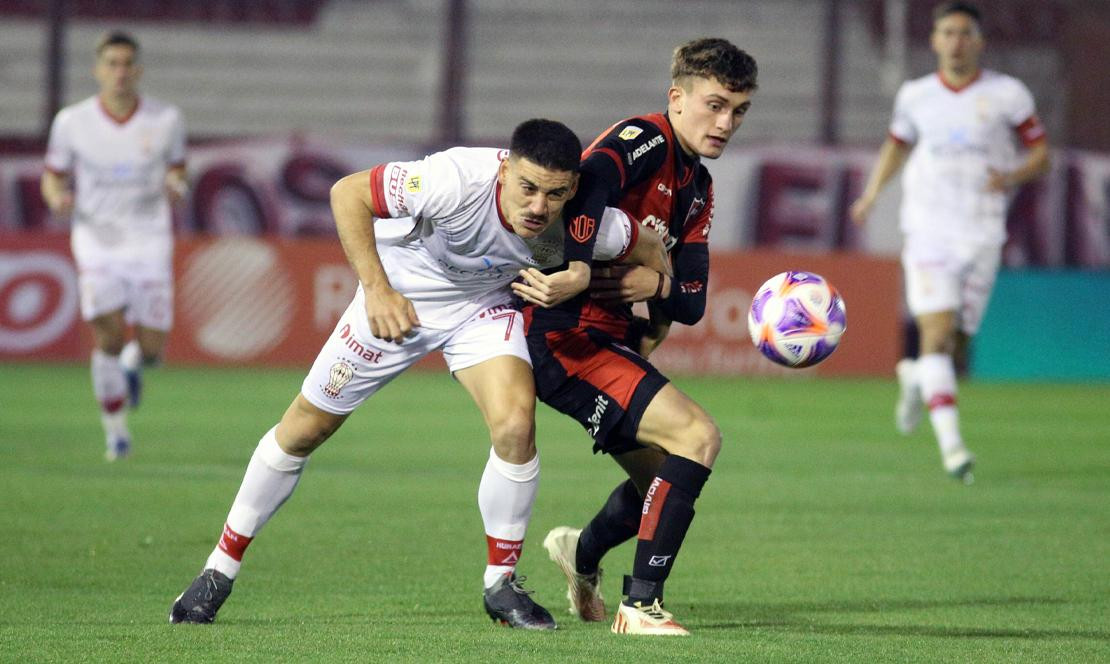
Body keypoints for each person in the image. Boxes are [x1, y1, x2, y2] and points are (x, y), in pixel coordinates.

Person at [168, 119, 670, 629]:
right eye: (528, 187)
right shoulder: (454, 178)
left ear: (573, 189)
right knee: (304, 429)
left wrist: (657, 296)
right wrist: (378, 290)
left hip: (482, 309)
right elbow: (347, 194)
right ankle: (218, 570)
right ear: (504, 171)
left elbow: (651, 247)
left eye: (556, 193)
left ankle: (501, 584)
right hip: (400, 295)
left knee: (516, 425)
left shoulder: (583, 223)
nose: (539, 206)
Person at [512, 38, 758, 635]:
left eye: (740, 111)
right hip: (563, 338)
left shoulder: (698, 188)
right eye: (715, 104)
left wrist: (654, 279)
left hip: (608, 344)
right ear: (676, 97)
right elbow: (586, 185)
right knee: (698, 438)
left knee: (661, 484)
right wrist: (578, 270)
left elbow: (694, 302)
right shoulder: (642, 139)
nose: (725, 123)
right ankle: (640, 604)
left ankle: (581, 555)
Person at [849, 1, 1049, 483]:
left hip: (981, 232)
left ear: (978, 41)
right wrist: (872, 193)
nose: (956, 41)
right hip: (929, 231)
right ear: (935, 40)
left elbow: (1040, 153)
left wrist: (1013, 173)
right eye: (947, 32)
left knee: (956, 346)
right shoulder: (916, 95)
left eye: (965, 33)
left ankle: (916, 377)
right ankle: (954, 449)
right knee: (935, 335)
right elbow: (897, 145)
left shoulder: (1008, 94)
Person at [41, 30, 188, 461]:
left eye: (127, 64)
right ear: (97, 70)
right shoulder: (72, 122)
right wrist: (56, 198)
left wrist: (178, 185)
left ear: (138, 70)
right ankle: (116, 432)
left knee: (152, 348)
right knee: (105, 332)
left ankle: (131, 363)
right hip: (96, 239)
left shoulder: (166, 119)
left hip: (149, 238)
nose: (120, 72)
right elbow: (54, 174)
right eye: (112, 63)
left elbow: (178, 170)